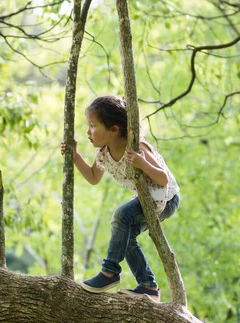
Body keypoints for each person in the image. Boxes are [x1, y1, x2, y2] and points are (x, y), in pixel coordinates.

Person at [60, 95, 180, 302]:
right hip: (147, 200)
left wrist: (143, 164)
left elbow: (162, 180)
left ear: (114, 130)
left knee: (121, 215)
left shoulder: (137, 148)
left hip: (167, 199)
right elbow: (93, 177)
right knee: (126, 237)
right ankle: (148, 286)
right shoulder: (103, 153)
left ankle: (110, 272)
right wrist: (75, 156)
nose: (88, 132)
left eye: (93, 126)